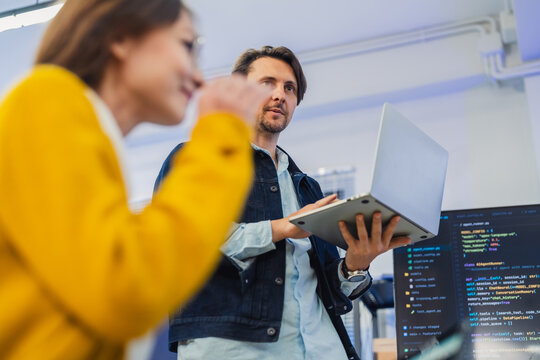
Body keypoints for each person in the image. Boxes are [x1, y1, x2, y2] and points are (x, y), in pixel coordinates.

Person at [0, 0, 271, 359]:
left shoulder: (85, 134)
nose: (199, 77)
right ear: (121, 36)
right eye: (187, 46)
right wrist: (220, 136)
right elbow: (126, 292)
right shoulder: (46, 97)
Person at [155, 46, 411, 359]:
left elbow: (329, 289)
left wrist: (357, 262)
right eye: (268, 83)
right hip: (236, 349)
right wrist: (283, 227)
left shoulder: (307, 188)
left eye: (289, 88)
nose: (280, 95)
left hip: (320, 348)